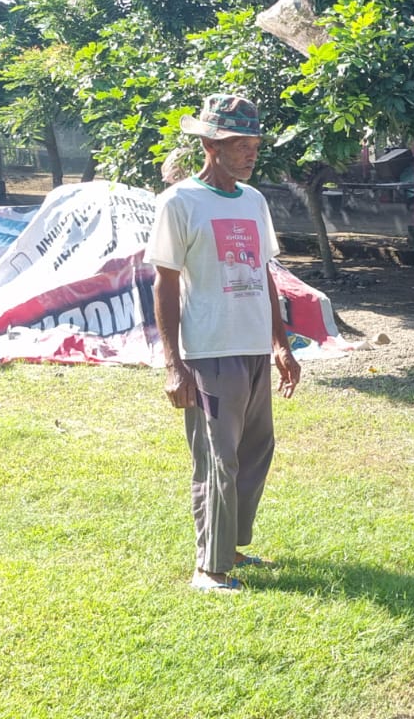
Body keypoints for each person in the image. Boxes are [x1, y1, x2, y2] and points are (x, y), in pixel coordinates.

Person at [146, 93, 300, 593]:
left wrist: (281, 344)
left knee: (256, 450)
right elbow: (165, 285)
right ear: (211, 144)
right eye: (240, 144)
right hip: (209, 350)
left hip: (254, 344)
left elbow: (266, 273)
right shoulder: (180, 202)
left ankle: (230, 546)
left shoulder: (254, 201)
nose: (251, 153)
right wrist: (173, 364)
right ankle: (208, 568)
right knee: (217, 458)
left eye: (254, 143)